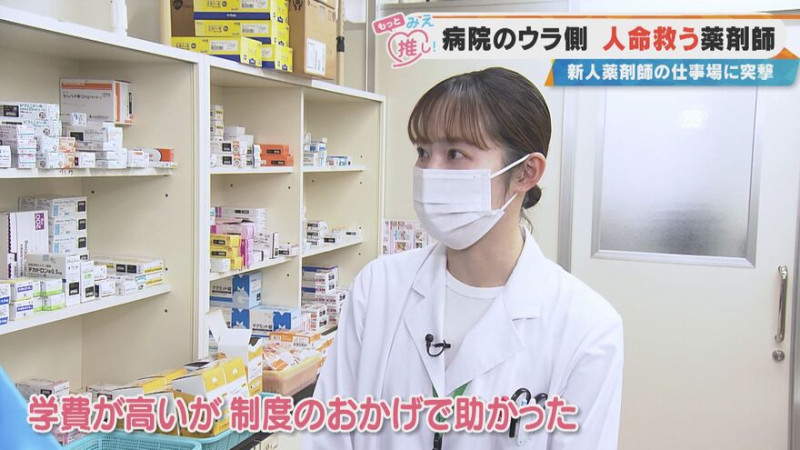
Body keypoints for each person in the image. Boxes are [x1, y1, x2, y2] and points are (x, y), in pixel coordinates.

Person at [303, 67, 623, 449]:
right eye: (423, 152)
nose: (429, 172)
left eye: (455, 154)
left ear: (525, 172)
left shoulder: (587, 327)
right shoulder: (379, 287)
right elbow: (328, 435)